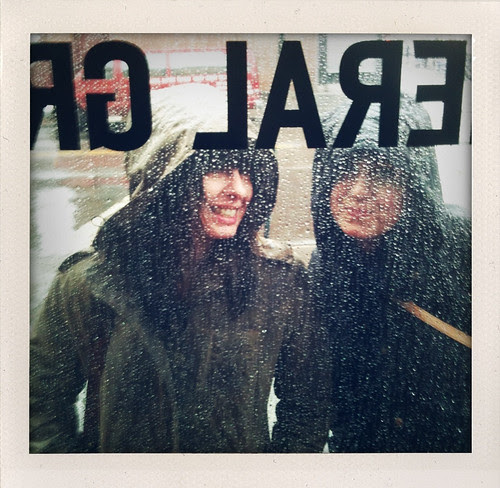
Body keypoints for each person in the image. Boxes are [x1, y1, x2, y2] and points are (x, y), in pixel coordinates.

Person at [30, 84, 330, 453]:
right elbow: (40, 403)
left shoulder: (279, 280)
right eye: (219, 169)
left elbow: (308, 403)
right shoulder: (92, 282)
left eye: (248, 172)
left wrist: (277, 473)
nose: (240, 190)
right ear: (167, 175)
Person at [309, 98, 471, 452]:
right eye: (344, 170)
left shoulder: (464, 244)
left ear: (415, 185)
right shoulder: (324, 266)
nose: (358, 192)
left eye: (382, 174)